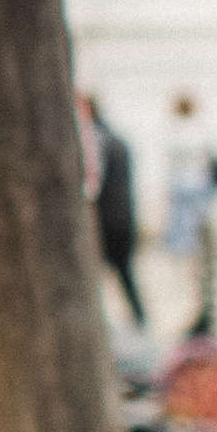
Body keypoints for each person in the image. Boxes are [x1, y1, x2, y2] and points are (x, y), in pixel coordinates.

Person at [163, 92, 217, 339]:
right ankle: (205, 316)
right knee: (203, 267)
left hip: (190, 207)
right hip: (202, 207)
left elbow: (180, 178)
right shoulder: (202, 132)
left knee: (195, 266)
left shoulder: (181, 135)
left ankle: (203, 318)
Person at [81, 92, 146, 328]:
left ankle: (120, 320)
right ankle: (139, 318)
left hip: (106, 220)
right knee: (124, 273)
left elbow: (93, 186)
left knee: (101, 275)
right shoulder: (118, 140)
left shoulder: (96, 141)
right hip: (124, 218)